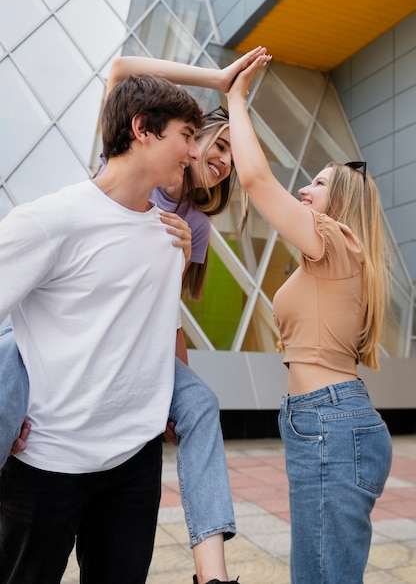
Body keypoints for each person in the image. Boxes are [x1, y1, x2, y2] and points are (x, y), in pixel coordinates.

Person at [1, 49, 264, 584]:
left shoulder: (183, 232)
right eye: (191, 137)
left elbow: (165, 326)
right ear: (143, 130)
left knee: (200, 402)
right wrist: (219, 80)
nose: (197, 154)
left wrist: (166, 398)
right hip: (49, 462)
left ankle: (211, 573)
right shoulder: (53, 219)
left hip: (131, 466)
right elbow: (120, 70)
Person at [225, 50, 393, 583]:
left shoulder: (334, 241)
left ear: (339, 204)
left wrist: (235, 97)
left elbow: (254, 178)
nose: (304, 189)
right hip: (328, 421)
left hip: (329, 424)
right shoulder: (330, 259)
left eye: (317, 184)